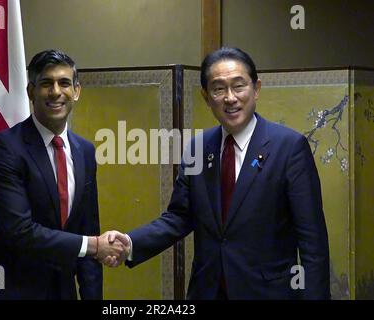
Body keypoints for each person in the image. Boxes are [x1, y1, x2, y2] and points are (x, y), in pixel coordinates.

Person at [106, 47, 330, 300]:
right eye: (219, 88)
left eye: (238, 86)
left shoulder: (289, 148)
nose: (230, 98)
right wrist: (129, 243)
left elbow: (313, 243)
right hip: (208, 291)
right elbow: (179, 217)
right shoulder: (198, 148)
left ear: (256, 89)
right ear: (205, 96)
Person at [0, 49, 125, 300]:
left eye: (64, 83)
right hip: (10, 289)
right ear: (31, 92)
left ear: (77, 91)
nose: (56, 92)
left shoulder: (85, 151)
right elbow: (19, 230)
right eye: (46, 83)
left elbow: (88, 227)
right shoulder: (5, 146)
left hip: (61, 290)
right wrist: (94, 245)